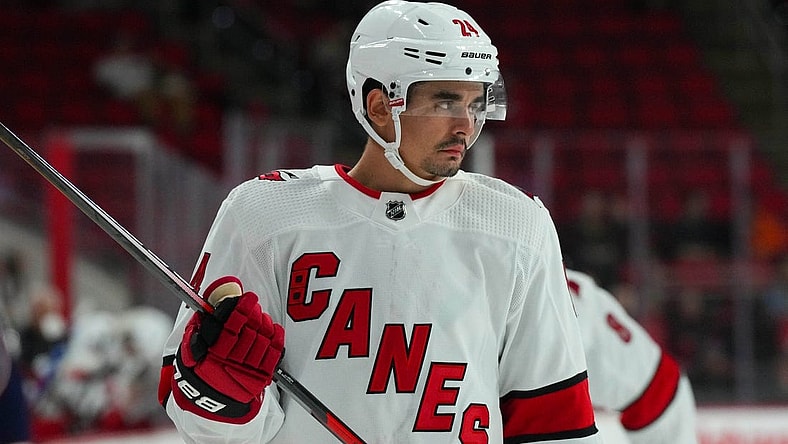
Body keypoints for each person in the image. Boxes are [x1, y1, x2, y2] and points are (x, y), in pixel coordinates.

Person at [159, 1, 600, 442]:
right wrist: (218, 391)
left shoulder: (516, 225)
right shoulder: (266, 216)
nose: (466, 124)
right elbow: (193, 411)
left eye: (475, 102)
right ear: (380, 106)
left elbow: (554, 419)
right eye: (444, 101)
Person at [566, 269, 698, 444]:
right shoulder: (571, 281)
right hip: (652, 398)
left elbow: (573, 346)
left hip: (661, 400)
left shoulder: (560, 294)